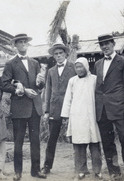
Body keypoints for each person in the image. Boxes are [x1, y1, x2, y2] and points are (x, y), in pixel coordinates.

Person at [1, 33, 47, 181]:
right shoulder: (10, 64)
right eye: (19, 42)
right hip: (19, 107)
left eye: (24, 42)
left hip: (34, 106)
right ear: (15, 45)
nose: (22, 44)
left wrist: (41, 83)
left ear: (27, 44)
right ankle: (18, 172)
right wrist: (20, 90)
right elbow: (4, 84)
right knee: (18, 142)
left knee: (35, 141)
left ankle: (35, 171)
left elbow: (39, 86)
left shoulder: (35, 63)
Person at [93, 34, 124, 181]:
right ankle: (115, 172)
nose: (104, 46)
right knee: (107, 141)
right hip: (102, 109)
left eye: (107, 43)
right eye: (102, 44)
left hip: (119, 108)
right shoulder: (98, 64)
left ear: (113, 44)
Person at [61, 57, 103, 181]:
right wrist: (65, 115)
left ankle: (97, 170)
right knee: (79, 145)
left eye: (81, 67)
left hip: (92, 116)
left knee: (94, 144)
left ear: (86, 67)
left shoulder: (95, 79)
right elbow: (68, 98)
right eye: (77, 67)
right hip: (77, 117)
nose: (79, 69)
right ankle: (81, 170)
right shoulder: (72, 81)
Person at [41, 43, 76, 175]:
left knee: (76, 137)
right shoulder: (51, 71)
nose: (58, 56)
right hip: (55, 108)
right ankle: (47, 166)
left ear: (65, 54)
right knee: (52, 138)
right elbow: (48, 91)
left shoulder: (73, 67)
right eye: (56, 54)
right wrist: (46, 111)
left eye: (61, 53)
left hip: (71, 108)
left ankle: (79, 167)